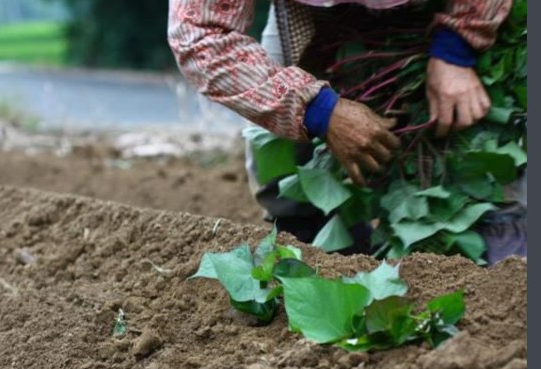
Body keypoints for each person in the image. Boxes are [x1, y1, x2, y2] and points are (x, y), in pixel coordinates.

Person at [168, 0, 523, 262]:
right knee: (282, 175)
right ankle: (329, 255)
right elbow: (198, 33)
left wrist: (457, 47)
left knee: (496, 148)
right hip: (308, 13)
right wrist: (320, 110)